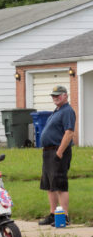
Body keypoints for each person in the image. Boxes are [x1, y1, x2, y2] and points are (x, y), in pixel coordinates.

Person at [37, 85, 75, 226]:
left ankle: (64, 216)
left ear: (65, 95)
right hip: (48, 152)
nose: (55, 97)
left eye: (58, 95)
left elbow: (69, 132)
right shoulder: (57, 111)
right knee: (50, 185)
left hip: (58, 152)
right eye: (53, 95)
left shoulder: (67, 111)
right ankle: (53, 214)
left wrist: (59, 152)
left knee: (60, 184)